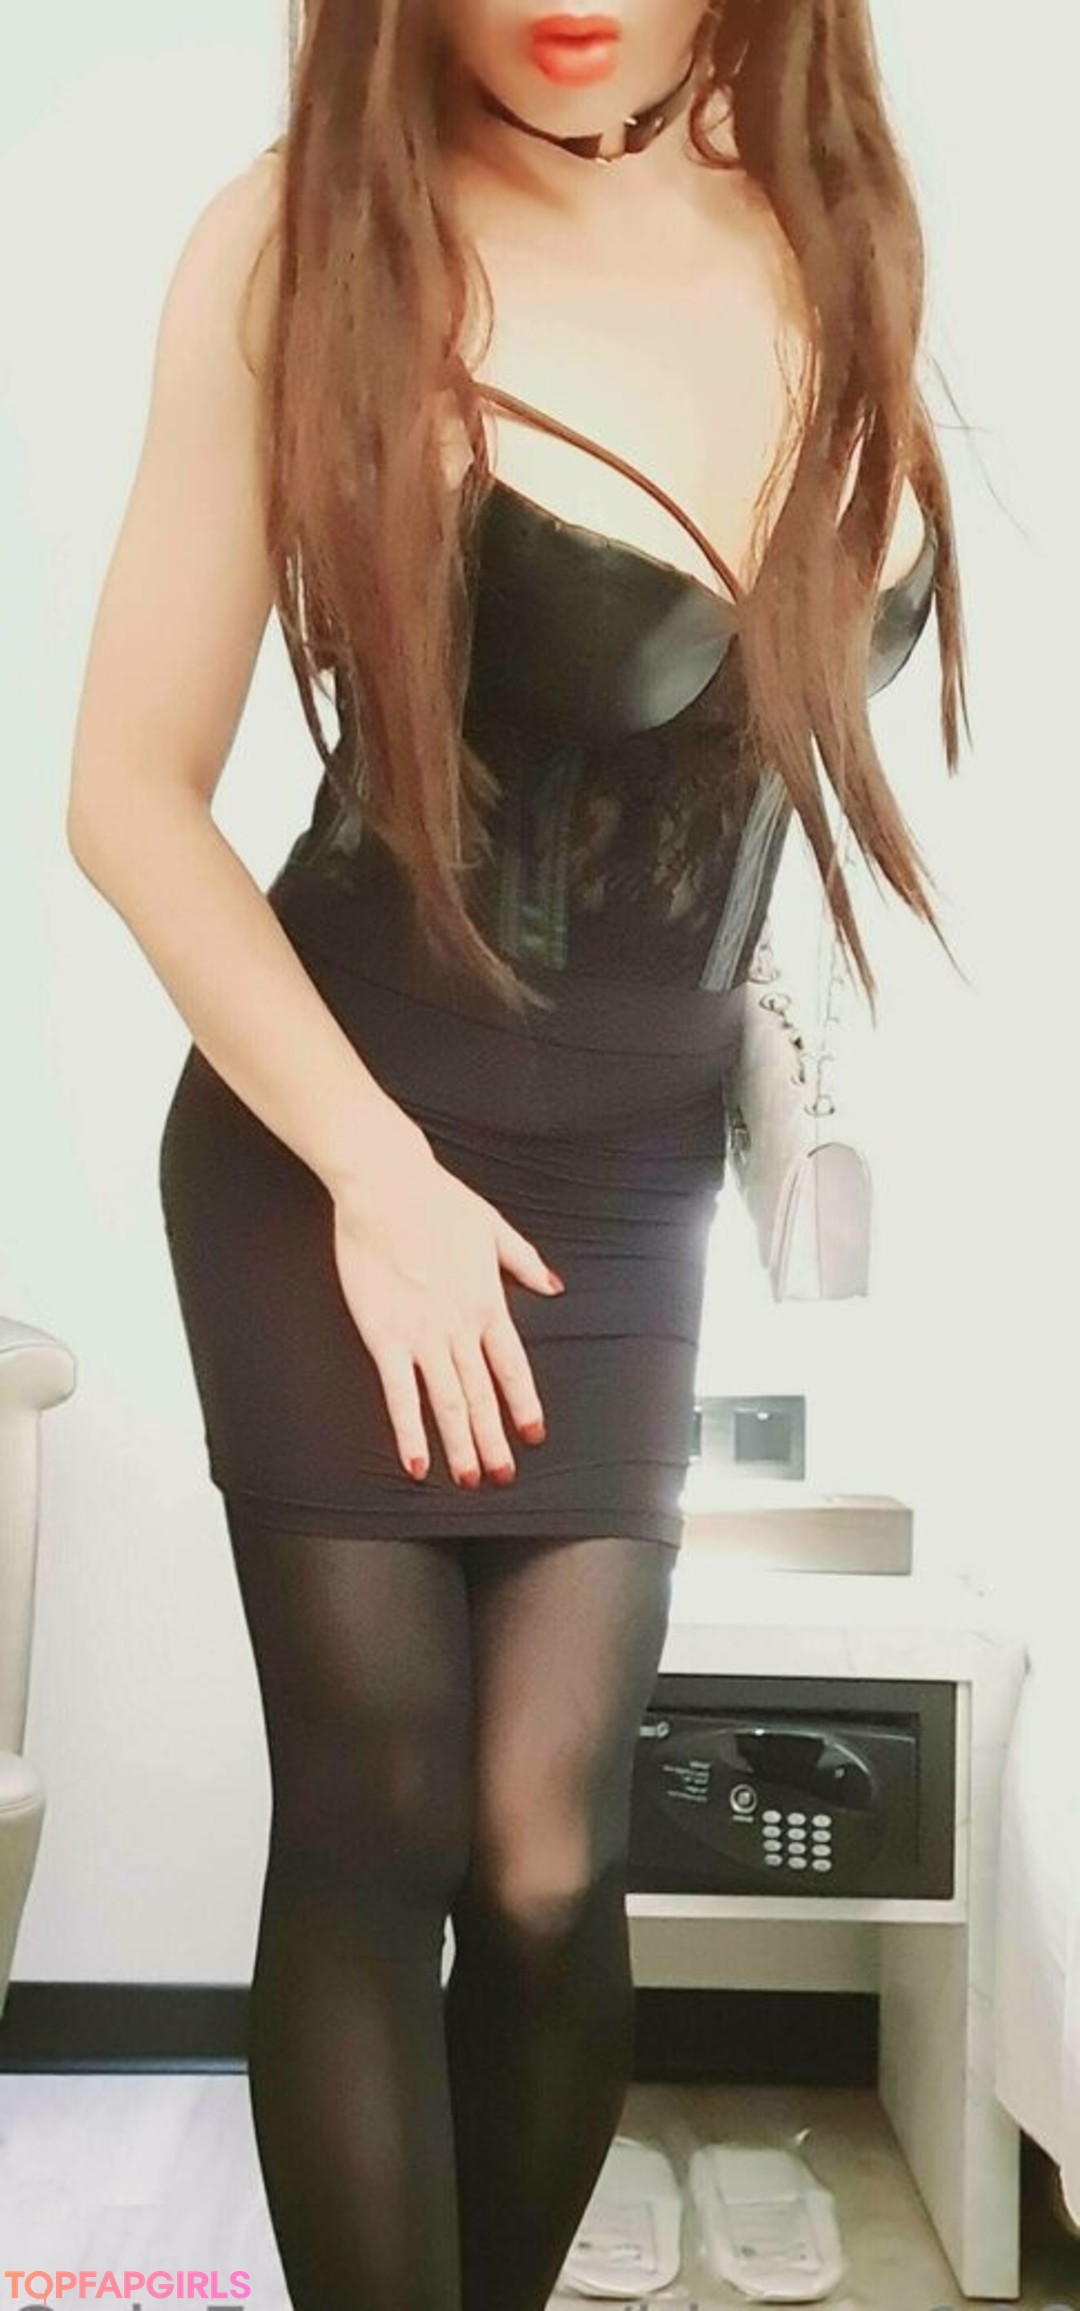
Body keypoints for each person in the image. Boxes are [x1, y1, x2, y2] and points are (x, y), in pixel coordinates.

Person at [66, 4, 964, 2306]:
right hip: (332, 1142)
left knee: (550, 1856)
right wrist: (374, 1176)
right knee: (378, 1818)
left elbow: (773, 770)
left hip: (627, 1190)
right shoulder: (304, 243)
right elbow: (126, 790)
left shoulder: (836, 238)